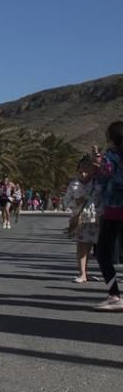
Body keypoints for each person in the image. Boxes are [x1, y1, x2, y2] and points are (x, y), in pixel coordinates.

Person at [92, 121, 123, 311]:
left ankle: (114, 294)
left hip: (114, 209)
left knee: (103, 252)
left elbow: (103, 178)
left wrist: (98, 168)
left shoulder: (110, 157)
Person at [63, 155, 101, 284]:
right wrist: (76, 202)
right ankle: (81, 273)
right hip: (80, 218)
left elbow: (102, 199)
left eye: (87, 168)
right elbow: (66, 202)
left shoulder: (97, 183)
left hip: (94, 218)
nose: (83, 172)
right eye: (81, 169)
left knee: (89, 246)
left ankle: (86, 272)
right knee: (81, 246)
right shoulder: (74, 184)